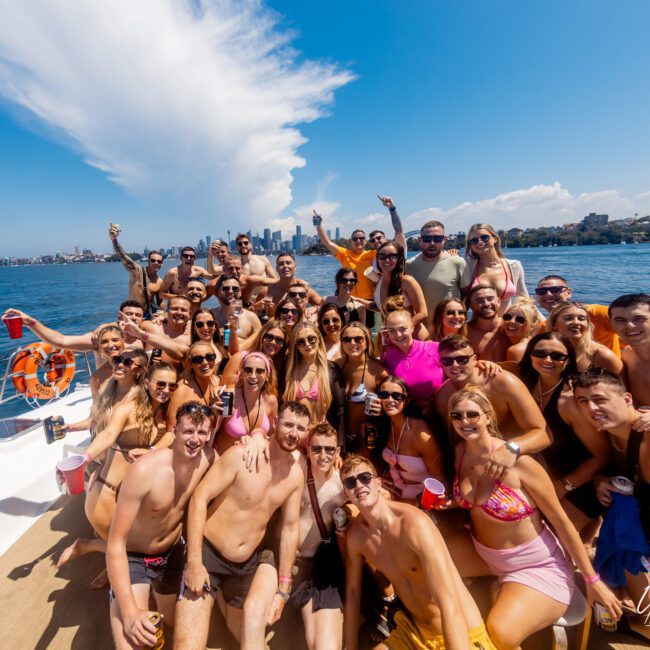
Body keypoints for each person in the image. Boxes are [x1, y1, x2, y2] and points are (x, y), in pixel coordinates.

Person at [448, 387, 620, 648]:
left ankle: (506, 595)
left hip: (535, 567)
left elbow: (562, 523)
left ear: (487, 416)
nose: (464, 422)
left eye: (472, 414)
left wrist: (592, 581)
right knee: (419, 561)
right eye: (457, 416)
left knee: (500, 634)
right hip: (484, 554)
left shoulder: (521, 464)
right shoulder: (461, 452)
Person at [174, 401, 307, 649]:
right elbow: (199, 498)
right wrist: (193, 561)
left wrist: (283, 591)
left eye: (300, 428)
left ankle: (226, 606)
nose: (293, 433)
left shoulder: (295, 475)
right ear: (275, 423)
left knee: (250, 642)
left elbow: (290, 529)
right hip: (208, 555)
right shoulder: (240, 455)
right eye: (288, 424)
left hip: (248, 563)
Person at [342, 454, 494, 650]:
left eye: (365, 478)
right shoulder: (357, 537)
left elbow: (448, 601)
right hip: (414, 632)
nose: (359, 485)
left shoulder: (414, 524)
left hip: (461, 632)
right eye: (350, 482)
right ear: (346, 494)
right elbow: (353, 593)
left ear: (379, 484)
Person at [105, 401, 215, 649]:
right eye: (188, 431)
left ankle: (152, 598)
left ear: (209, 434)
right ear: (174, 430)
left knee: (179, 627)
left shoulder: (208, 459)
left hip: (173, 553)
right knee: (135, 641)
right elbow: (115, 545)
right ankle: (129, 597)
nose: (194, 439)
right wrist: (131, 612)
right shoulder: (144, 471)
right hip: (134, 557)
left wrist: (256, 438)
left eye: (201, 433)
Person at [57, 356, 172, 585]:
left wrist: (152, 449)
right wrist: (85, 457)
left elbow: (171, 432)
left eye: (171, 386)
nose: (166, 390)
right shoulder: (128, 408)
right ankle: (86, 547)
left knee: (131, 546)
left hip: (133, 495)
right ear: (146, 382)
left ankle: (105, 563)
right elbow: (108, 434)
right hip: (108, 494)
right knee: (123, 548)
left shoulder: (163, 409)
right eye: (160, 384)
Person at [246, 422, 347, 650]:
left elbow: (372, 494)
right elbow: (271, 441)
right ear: (307, 449)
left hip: (315, 568)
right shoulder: (297, 468)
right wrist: (256, 435)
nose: (323, 455)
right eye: (317, 449)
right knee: (254, 615)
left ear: (338, 451)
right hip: (280, 557)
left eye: (330, 449)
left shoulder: (343, 486)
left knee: (324, 646)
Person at [572, 371, 650, 621]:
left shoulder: (646, 430)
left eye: (599, 399)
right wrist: (599, 480)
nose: (591, 408)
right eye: (583, 401)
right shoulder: (607, 434)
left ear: (627, 399)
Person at [515, 333, 610, 530]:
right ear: (530, 355)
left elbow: (602, 457)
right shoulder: (528, 382)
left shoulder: (569, 400)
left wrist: (563, 486)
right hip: (548, 477)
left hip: (582, 484)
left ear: (568, 361)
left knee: (546, 538)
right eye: (540, 353)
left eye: (557, 356)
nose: (547, 360)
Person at [435, 335, 551, 473]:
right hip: (478, 468)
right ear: (440, 363)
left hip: (520, 462)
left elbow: (544, 434)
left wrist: (511, 449)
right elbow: (454, 442)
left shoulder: (503, 383)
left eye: (462, 360)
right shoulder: (443, 397)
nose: (455, 365)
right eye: (447, 361)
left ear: (474, 360)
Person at [379, 376, 446, 503]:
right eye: (384, 395)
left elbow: (440, 480)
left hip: (420, 500)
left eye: (396, 396)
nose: (389, 400)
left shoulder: (421, 434)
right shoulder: (385, 426)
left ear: (407, 400)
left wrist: (423, 503)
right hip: (394, 494)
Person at [283, 323, 345, 442]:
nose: (307, 344)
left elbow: (340, 410)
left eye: (311, 339)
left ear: (318, 338)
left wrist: (339, 445)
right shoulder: (289, 370)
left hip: (321, 436)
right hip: (295, 436)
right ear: (295, 346)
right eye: (301, 342)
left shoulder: (331, 369)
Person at [534, 274, 621, 356]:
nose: (548, 294)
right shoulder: (543, 328)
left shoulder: (597, 313)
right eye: (541, 291)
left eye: (555, 290)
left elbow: (631, 329)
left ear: (569, 292)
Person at [406, 220, 466, 335]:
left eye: (437, 239)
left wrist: (458, 322)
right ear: (420, 240)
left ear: (444, 240)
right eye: (427, 239)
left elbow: (466, 295)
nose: (432, 243)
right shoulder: (409, 266)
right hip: (419, 334)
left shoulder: (457, 262)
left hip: (448, 333)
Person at [336, 322, 388, 456]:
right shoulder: (336, 367)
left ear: (366, 341)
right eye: (347, 339)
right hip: (338, 439)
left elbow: (393, 407)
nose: (352, 343)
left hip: (365, 441)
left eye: (358, 339)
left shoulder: (378, 371)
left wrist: (382, 410)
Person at [214, 351, 278, 455]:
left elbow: (271, 437)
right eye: (248, 370)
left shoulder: (270, 401)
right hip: (224, 461)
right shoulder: (229, 396)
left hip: (252, 465)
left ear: (267, 375)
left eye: (259, 371)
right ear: (241, 373)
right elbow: (213, 432)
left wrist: (259, 434)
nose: (253, 376)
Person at [381, 310, 444, 409]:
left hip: (438, 410)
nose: (398, 334)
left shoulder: (434, 348)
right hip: (406, 415)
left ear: (412, 328)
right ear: (387, 333)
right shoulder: (387, 357)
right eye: (392, 330)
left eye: (402, 329)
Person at [460, 223, 529, 313]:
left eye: (484, 237)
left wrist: (543, 323)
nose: (480, 242)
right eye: (474, 241)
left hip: (507, 325)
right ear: (471, 246)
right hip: (478, 326)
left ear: (495, 238)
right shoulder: (467, 266)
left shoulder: (514, 266)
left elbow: (524, 299)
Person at [313, 213, 377, 301]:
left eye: (361, 238)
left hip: (369, 300)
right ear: (351, 242)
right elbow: (327, 242)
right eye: (355, 239)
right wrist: (318, 225)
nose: (358, 240)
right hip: (349, 300)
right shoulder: (345, 253)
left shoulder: (373, 254)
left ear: (365, 241)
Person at [549, 301, 622, 375]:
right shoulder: (545, 351)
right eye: (568, 318)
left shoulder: (601, 355)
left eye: (581, 319)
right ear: (554, 325)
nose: (576, 322)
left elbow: (622, 385)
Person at [373, 241, 428, 338]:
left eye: (392, 256)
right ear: (377, 259)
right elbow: (382, 308)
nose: (387, 260)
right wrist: (360, 302)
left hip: (414, 338)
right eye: (382, 256)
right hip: (394, 338)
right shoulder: (378, 283)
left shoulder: (407, 281)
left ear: (399, 258)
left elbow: (423, 313)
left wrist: (400, 329)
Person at [109, 223, 163, 317]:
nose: (156, 263)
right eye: (153, 260)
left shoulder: (159, 281)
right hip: (132, 313)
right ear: (148, 261)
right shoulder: (137, 271)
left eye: (159, 261)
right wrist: (114, 240)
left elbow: (160, 301)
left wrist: (162, 314)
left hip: (149, 314)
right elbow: (124, 257)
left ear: (161, 263)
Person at [122, 295, 193, 367]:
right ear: (167, 311)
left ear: (190, 313)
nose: (179, 313)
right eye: (174, 309)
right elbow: (122, 326)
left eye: (183, 310)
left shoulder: (192, 334)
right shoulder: (150, 326)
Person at [221, 319, 288, 392]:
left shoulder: (282, 366)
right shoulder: (240, 358)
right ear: (262, 336)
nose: (273, 342)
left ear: (283, 344)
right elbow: (224, 390)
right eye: (269, 337)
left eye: (279, 340)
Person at [167, 341, 220, 429]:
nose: (205, 362)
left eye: (210, 357)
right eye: (198, 360)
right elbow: (172, 428)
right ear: (191, 364)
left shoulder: (216, 381)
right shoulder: (182, 390)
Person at [609, 293, 650, 405]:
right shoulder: (627, 354)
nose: (630, 326)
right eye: (620, 320)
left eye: (639, 318)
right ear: (611, 323)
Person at [254, 253, 322, 313]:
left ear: (295, 267)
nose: (285, 266)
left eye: (288, 263)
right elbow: (251, 312)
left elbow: (324, 306)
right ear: (277, 269)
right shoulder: (267, 291)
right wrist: (255, 307)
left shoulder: (304, 289)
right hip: (275, 326)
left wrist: (315, 308)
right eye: (281, 264)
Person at [466, 284, 512, 362]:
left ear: (498, 302)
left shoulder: (511, 327)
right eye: (479, 301)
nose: (486, 304)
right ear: (471, 306)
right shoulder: (465, 332)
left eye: (490, 299)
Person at [211, 275, 262, 343]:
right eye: (226, 289)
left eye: (235, 289)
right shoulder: (211, 315)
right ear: (219, 293)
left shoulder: (251, 317)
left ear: (240, 292)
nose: (230, 292)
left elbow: (259, 343)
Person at [189, 307, 229, 372]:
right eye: (200, 324)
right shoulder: (190, 351)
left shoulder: (225, 345)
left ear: (215, 326)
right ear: (194, 328)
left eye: (210, 323)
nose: (205, 327)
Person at [501, 298, 539, 362]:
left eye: (520, 319)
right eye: (508, 316)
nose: (512, 321)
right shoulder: (532, 343)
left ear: (532, 326)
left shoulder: (516, 350)